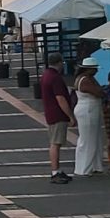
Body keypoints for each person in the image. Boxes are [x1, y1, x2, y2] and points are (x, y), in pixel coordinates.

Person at [40, 53, 74, 184]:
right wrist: (70, 115)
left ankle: (57, 170)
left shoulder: (46, 75)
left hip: (50, 112)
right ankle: (55, 172)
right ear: (59, 62)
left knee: (55, 142)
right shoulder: (55, 78)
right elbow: (60, 98)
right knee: (55, 143)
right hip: (57, 114)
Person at [73, 58, 106, 176]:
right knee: (88, 140)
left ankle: (95, 165)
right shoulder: (86, 80)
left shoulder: (87, 78)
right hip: (88, 110)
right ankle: (85, 168)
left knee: (94, 138)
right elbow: (99, 93)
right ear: (89, 69)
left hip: (90, 109)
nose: (96, 71)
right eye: (94, 69)